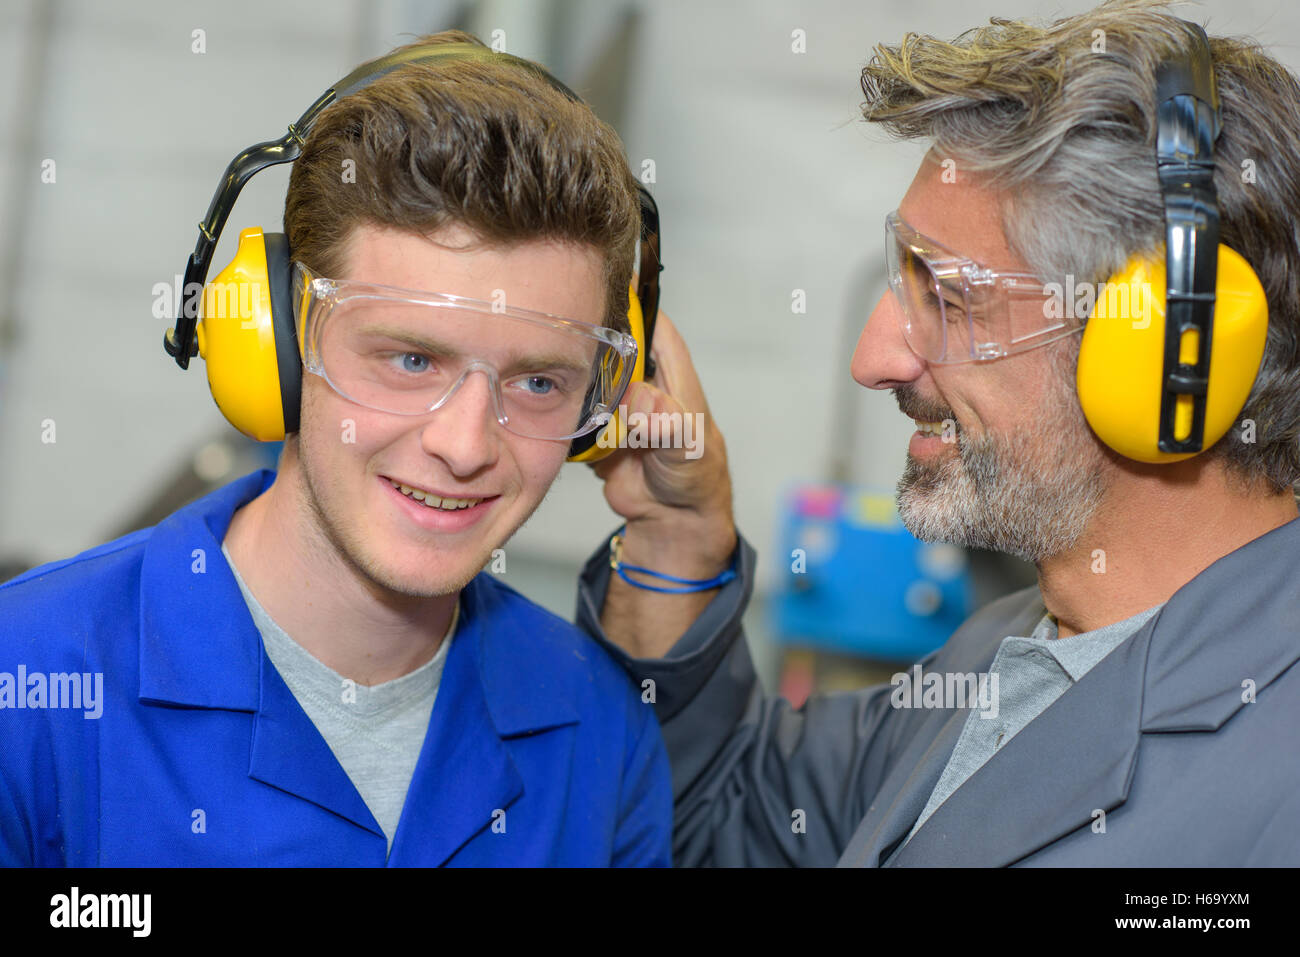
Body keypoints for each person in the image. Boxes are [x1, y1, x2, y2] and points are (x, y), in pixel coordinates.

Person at [578, 0, 1300, 865]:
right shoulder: (1007, 649)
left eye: (949, 298)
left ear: (1172, 355)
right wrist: (679, 536)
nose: (873, 357)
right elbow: (718, 819)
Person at [0, 31, 671, 866]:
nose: (465, 446)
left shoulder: (599, 734)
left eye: (538, 382)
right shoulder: (31, 687)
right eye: (410, 358)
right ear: (276, 343)